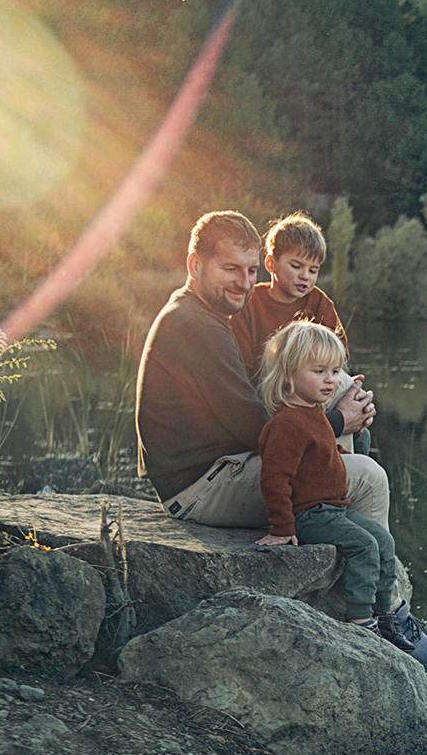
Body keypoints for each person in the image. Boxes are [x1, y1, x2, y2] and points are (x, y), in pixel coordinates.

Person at [133, 210, 383, 530]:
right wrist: (340, 421)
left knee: (339, 385)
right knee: (369, 477)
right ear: (194, 265)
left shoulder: (197, 313)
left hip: (222, 466)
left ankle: (332, 523)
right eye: (231, 269)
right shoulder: (197, 326)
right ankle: (359, 556)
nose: (245, 283)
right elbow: (256, 429)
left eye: (251, 270)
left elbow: (252, 418)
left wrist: (345, 410)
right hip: (201, 487)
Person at [252, 321, 427, 671]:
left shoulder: (313, 413)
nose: (330, 380)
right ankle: (360, 622)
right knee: (364, 546)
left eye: (334, 371)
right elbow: (274, 479)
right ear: (289, 375)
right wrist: (282, 528)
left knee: (383, 541)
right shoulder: (286, 423)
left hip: (333, 509)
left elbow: (321, 455)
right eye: (319, 371)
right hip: (310, 515)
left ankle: (386, 615)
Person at [231, 210, 370, 457]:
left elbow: (339, 357)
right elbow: (244, 372)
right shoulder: (250, 304)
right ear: (270, 263)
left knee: (349, 388)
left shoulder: (319, 302)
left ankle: (345, 467)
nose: (305, 276)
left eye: (313, 270)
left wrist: (352, 390)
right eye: (296, 266)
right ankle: (337, 462)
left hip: (314, 387)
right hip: (270, 391)